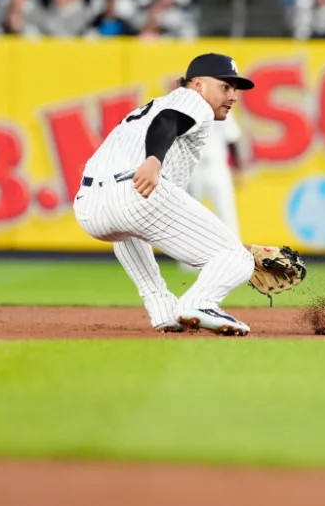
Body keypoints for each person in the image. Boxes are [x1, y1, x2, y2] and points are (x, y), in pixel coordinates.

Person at [73, 53, 263, 336]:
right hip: (136, 190)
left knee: (126, 231)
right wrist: (153, 160)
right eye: (225, 86)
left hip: (89, 206)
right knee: (238, 259)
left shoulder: (153, 104)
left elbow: (161, 120)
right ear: (198, 84)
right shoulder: (191, 100)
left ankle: (162, 310)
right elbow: (167, 122)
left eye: (235, 88)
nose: (233, 95)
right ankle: (199, 303)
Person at [178, 114, 245, 275]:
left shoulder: (223, 110)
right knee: (191, 215)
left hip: (218, 166)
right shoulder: (188, 110)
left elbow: (232, 139)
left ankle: (235, 259)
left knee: (226, 214)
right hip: (194, 167)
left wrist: (238, 167)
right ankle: (189, 261)